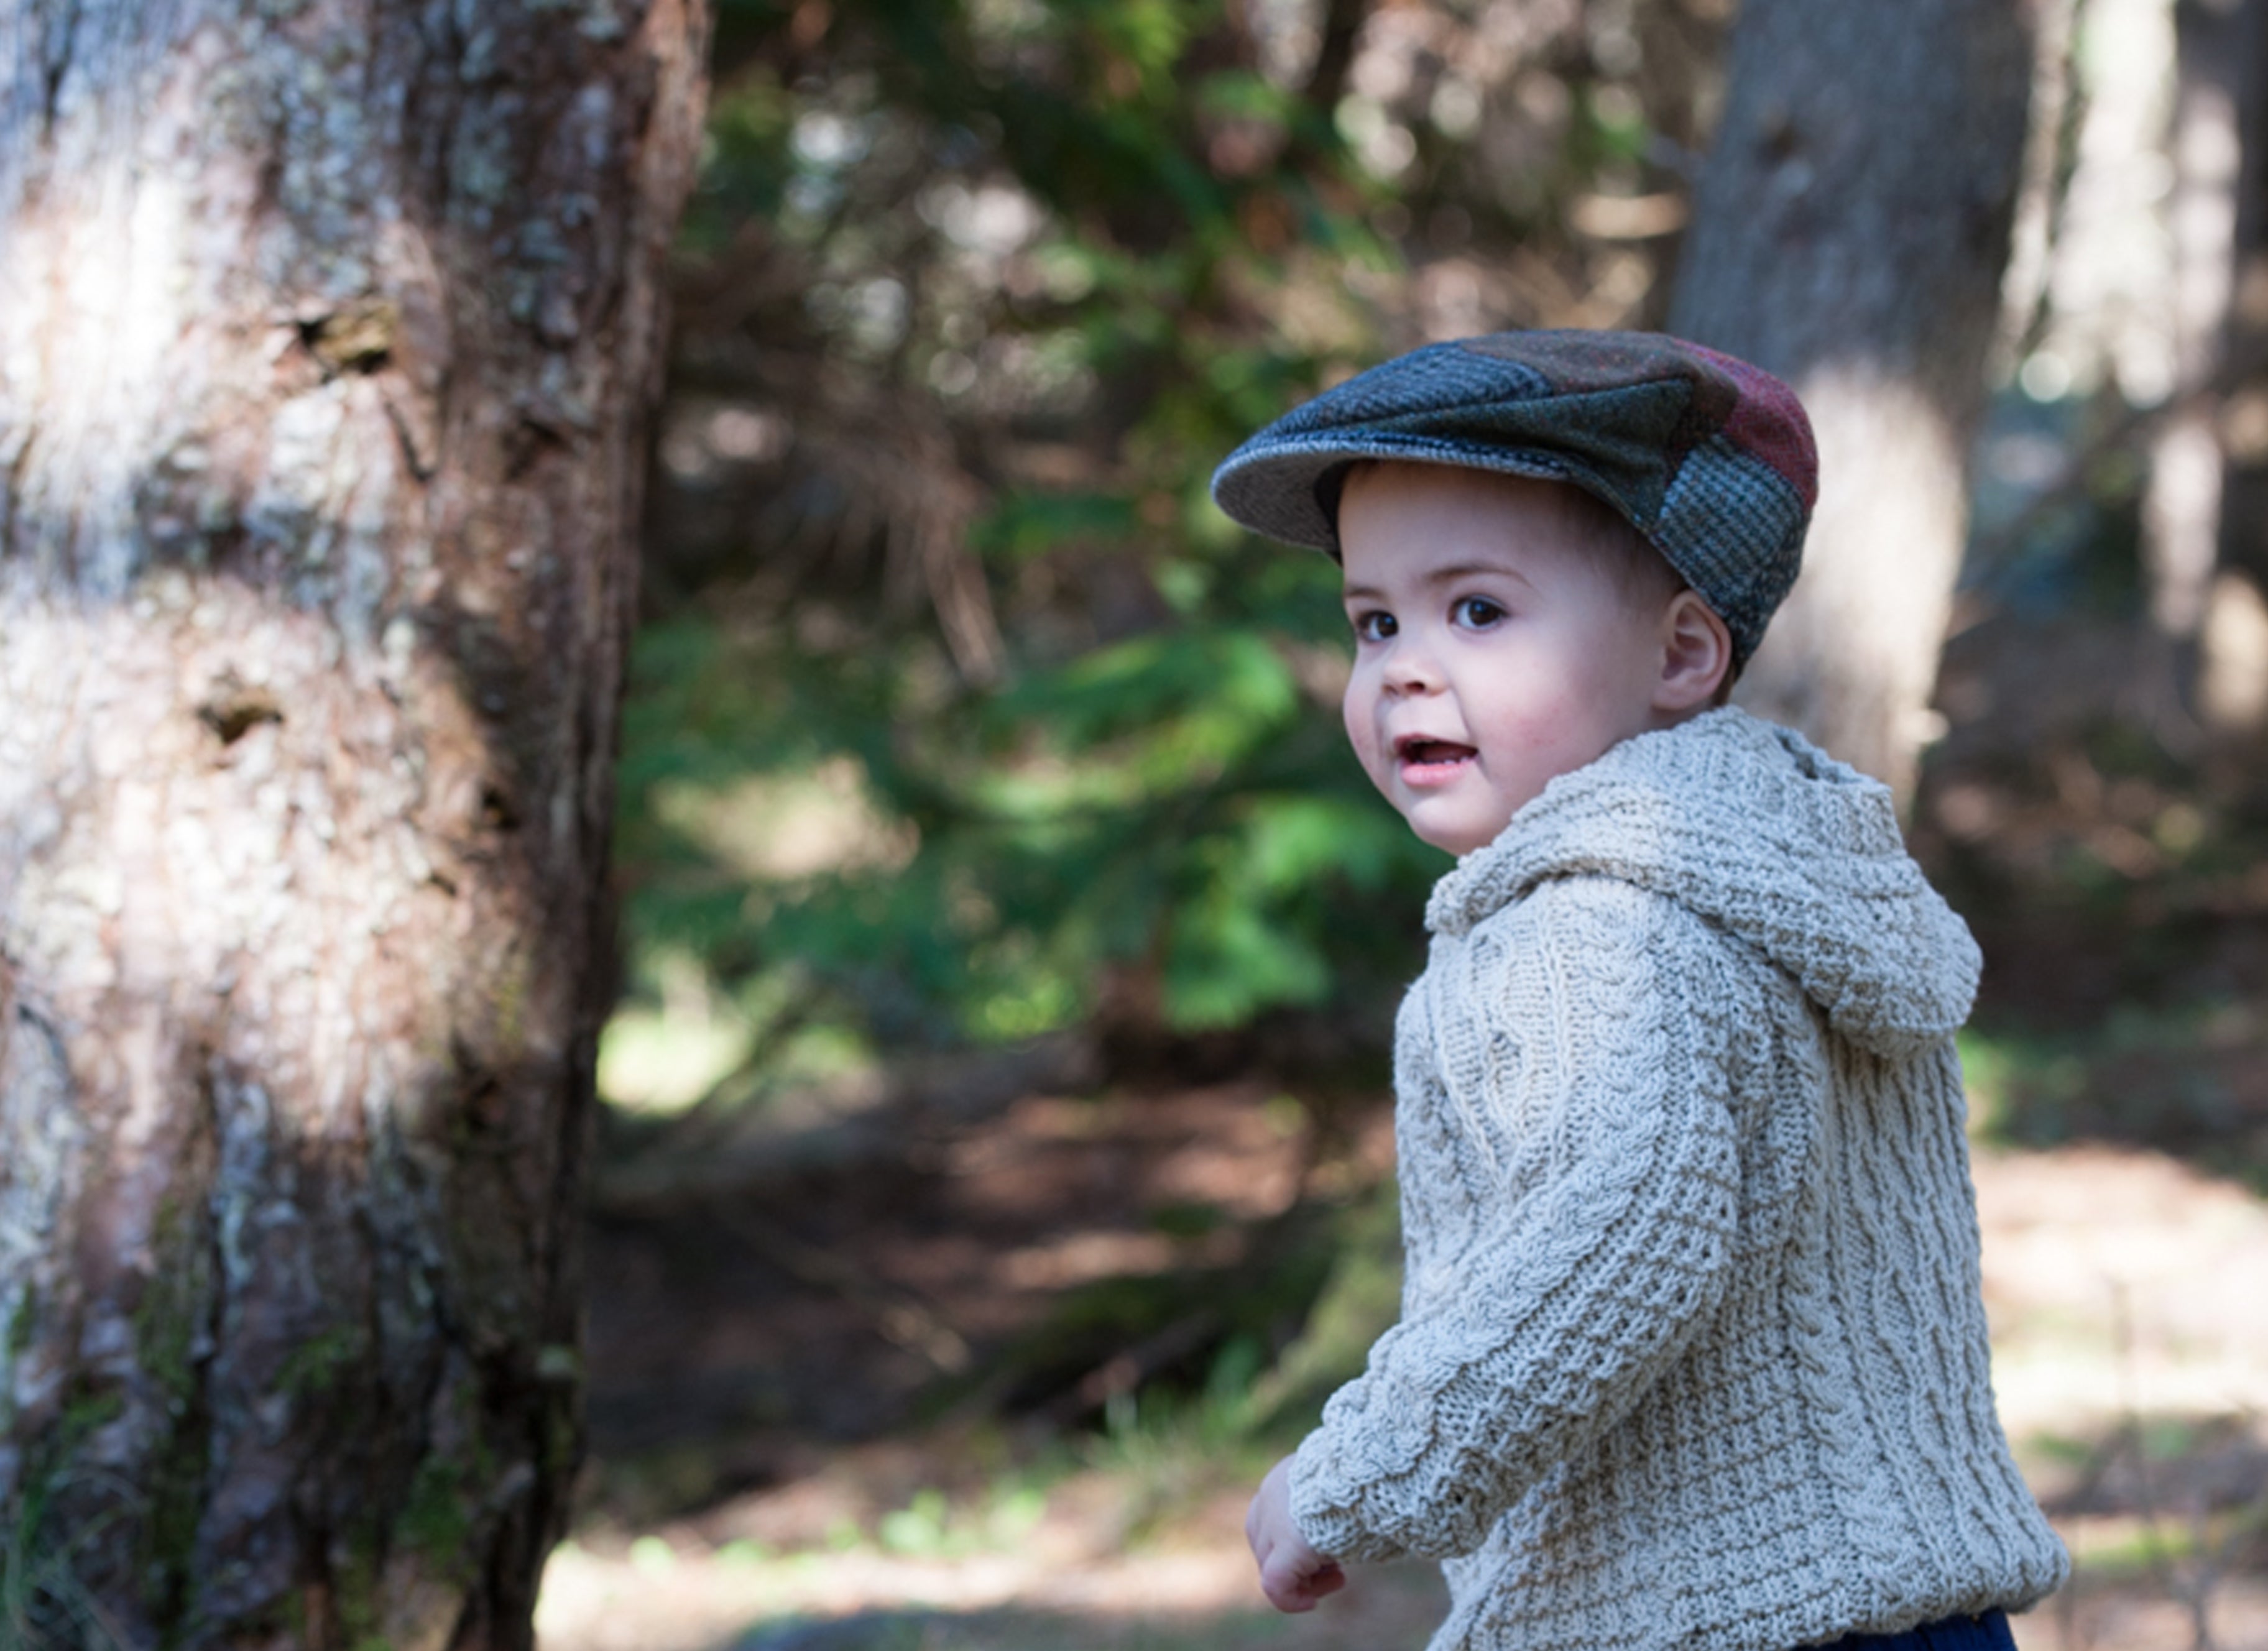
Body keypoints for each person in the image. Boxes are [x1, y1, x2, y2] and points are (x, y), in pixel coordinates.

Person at [1207, 331, 2069, 1651]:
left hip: (1708, 1611)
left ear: (1680, 655)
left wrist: (1356, 1474)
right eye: (1375, 619)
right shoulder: (1784, 879)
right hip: (1905, 1597)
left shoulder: (1597, 921)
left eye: (1478, 609)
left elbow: (1616, 1233)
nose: (1405, 667)